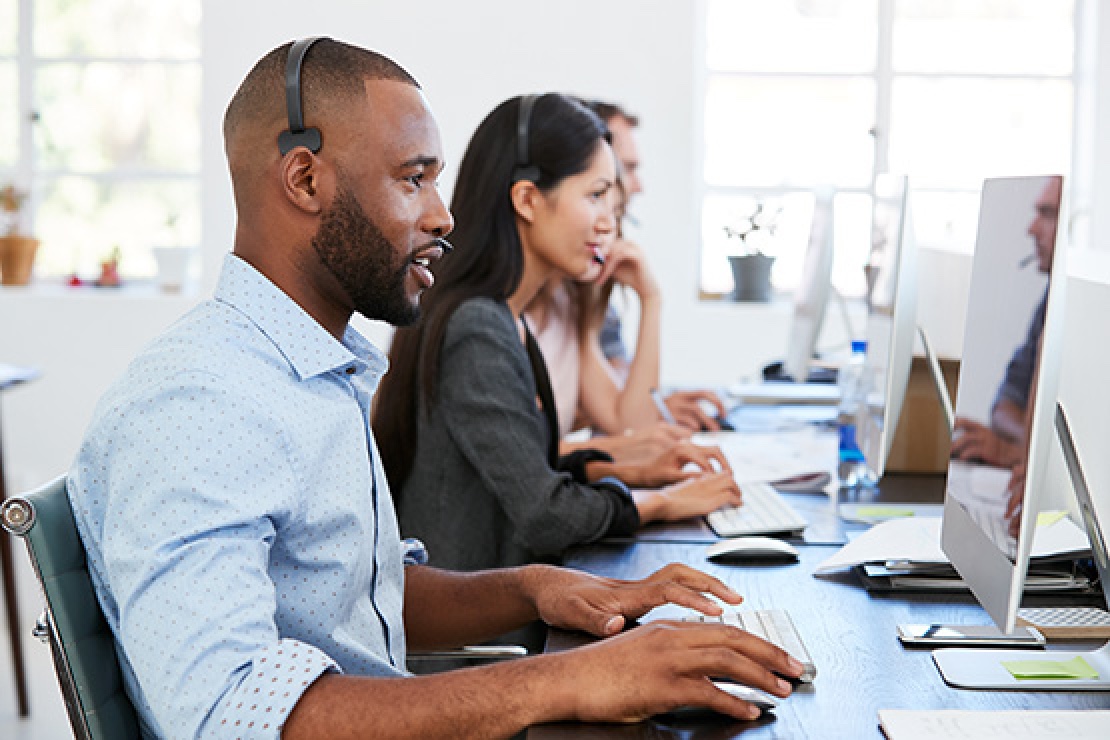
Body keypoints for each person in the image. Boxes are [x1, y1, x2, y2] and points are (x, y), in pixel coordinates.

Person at [67, 40, 802, 738]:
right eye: (412, 178)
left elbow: (361, 596)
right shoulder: (202, 401)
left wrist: (536, 588)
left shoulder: (311, 373)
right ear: (305, 179)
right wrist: (568, 680)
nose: (442, 214)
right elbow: (227, 714)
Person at [374, 93, 743, 584]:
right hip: (483, 633)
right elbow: (545, 514)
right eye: (595, 196)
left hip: (507, 603)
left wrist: (632, 470)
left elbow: (533, 464)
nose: (610, 221)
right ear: (527, 199)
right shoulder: (477, 327)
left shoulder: (507, 318)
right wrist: (663, 503)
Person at [950, 176, 1062, 469]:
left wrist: (1020, 452)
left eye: (1048, 214)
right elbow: (1005, 405)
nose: (1032, 228)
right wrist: (1025, 448)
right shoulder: (1050, 301)